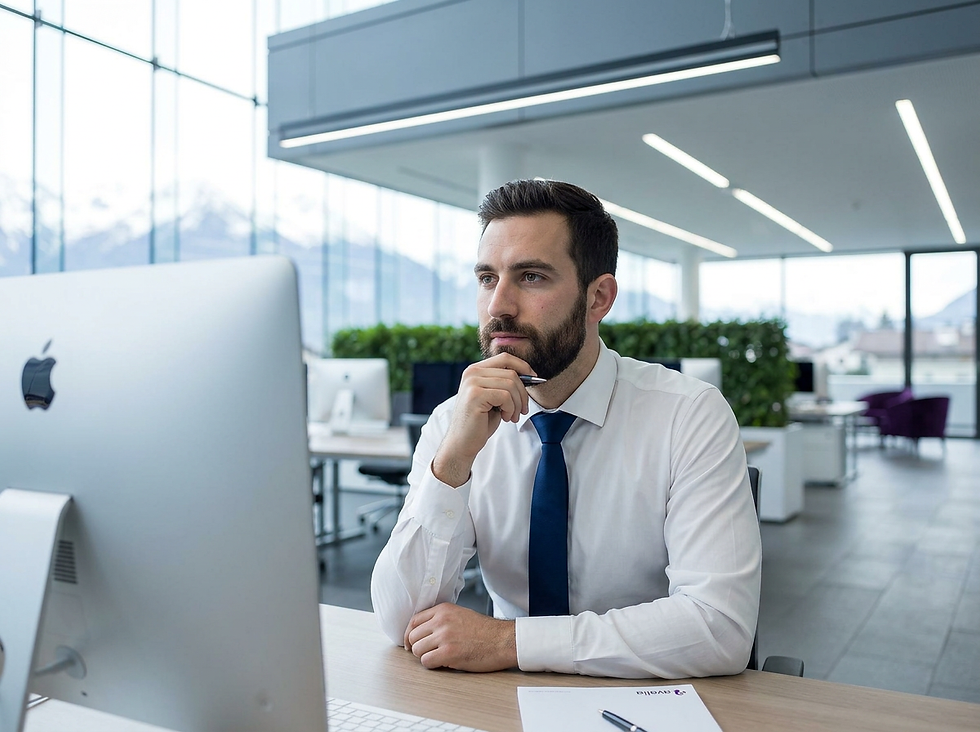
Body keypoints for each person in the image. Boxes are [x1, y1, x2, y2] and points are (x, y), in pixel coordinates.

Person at [370, 179, 761, 679]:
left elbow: (719, 628)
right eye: (488, 278)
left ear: (599, 297)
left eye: (531, 277)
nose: (498, 306)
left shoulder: (689, 415)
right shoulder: (455, 421)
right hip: (498, 700)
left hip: (646, 696)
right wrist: (450, 467)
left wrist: (511, 642)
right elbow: (400, 620)